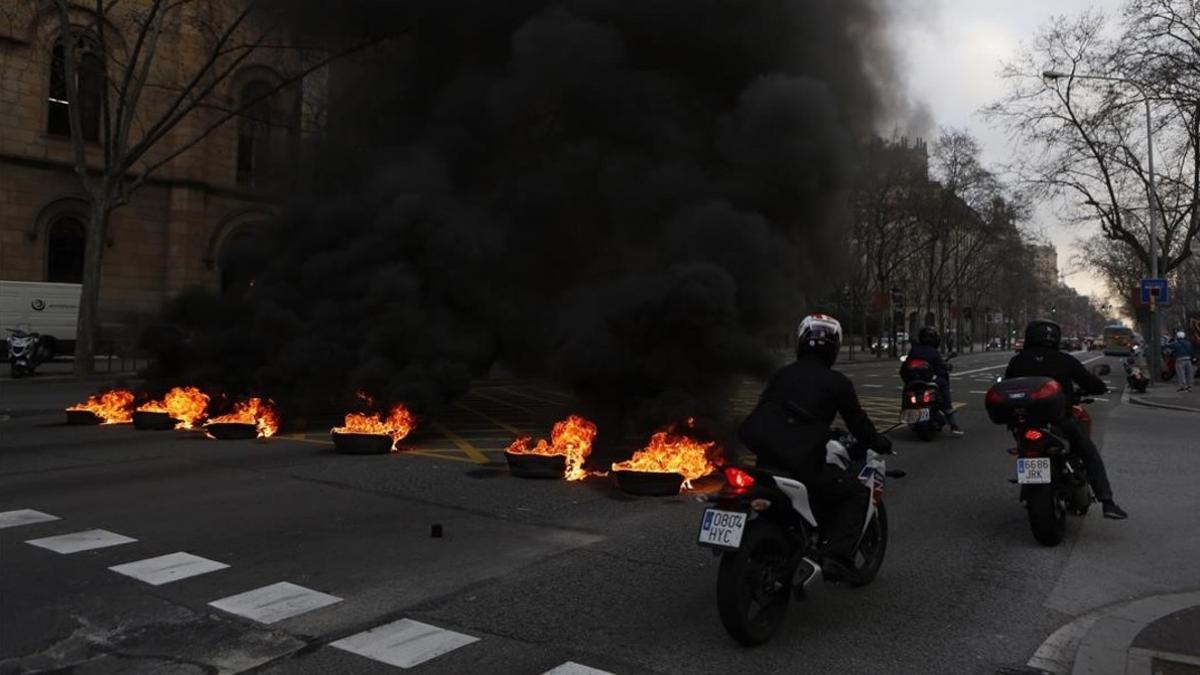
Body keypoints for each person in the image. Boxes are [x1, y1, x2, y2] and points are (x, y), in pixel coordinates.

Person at [738, 313, 892, 582]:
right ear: (834, 346)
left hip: (764, 463)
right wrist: (881, 442)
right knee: (856, 493)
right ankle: (836, 557)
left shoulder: (782, 374)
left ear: (801, 341)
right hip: (802, 466)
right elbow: (860, 426)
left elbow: (765, 411)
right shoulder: (837, 383)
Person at [1006, 319, 1128, 520]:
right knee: (1088, 451)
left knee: (1024, 447)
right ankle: (1107, 502)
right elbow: (1091, 383)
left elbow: (1009, 386)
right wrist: (1097, 387)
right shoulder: (1063, 359)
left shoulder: (1017, 361)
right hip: (1059, 420)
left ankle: (1030, 485)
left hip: (1026, 423)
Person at [902, 325, 964, 436]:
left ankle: (905, 408)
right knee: (944, 385)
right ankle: (950, 414)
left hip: (914, 381)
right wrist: (946, 367)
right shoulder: (933, 352)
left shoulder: (914, 349)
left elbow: (905, 367)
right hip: (928, 380)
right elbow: (940, 368)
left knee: (907, 389)